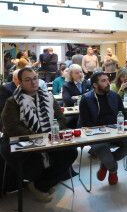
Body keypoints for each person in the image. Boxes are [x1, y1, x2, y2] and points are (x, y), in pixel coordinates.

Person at [0, 67, 77, 202]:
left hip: (48, 138)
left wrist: (51, 131)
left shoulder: (48, 97)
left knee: (70, 152)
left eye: (35, 78)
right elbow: (12, 128)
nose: (33, 82)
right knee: (35, 162)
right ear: (20, 83)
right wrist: (39, 135)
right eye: (28, 80)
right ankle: (38, 183)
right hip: (17, 141)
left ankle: (41, 185)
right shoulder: (12, 102)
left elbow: (61, 119)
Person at [78, 72, 127, 185]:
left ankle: (105, 164)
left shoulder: (114, 96)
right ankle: (113, 170)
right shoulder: (86, 99)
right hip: (96, 133)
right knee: (102, 147)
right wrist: (103, 130)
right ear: (95, 85)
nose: (107, 83)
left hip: (115, 131)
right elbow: (85, 123)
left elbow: (122, 115)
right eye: (103, 81)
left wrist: (125, 125)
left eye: (107, 80)